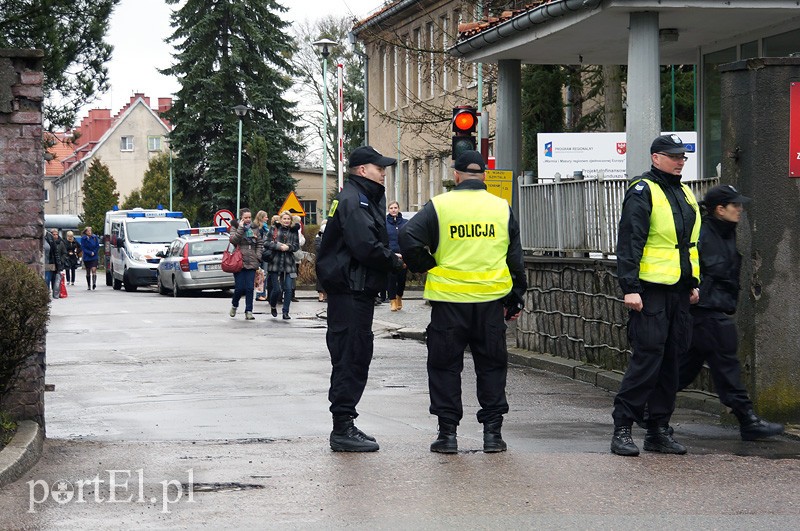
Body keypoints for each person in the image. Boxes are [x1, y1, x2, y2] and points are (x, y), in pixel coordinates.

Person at [399, 150, 527, 454]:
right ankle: (492, 435)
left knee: (445, 367)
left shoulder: (440, 206)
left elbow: (407, 237)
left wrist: (427, 265)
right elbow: (515, 258)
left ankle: (447, 436)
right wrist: (516, 297)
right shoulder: (501, 208)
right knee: (492, 367)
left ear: (456, 175)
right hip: (491, 303)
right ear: (483, 175)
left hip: (449, 304)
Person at [611, 134, 701, 457]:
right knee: (647, 359)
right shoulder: (642, 191)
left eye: (682, 157)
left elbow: (689, 245)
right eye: (674, 156)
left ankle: (658, 429)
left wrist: (692, 282)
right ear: (655, 157)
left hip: (678, 292)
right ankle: (623, 426)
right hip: (649, 292)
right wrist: (630, 288)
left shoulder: (685, 193)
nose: (680, 161)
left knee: (671, 360)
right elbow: (630, 242)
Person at [316, 146, 405, 452]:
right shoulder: (354, 200)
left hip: (355, 291)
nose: (384, 173)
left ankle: (345, 423)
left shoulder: (359, 197)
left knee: (354, 355)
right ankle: (342, 428)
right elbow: (364, 245)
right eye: (379, 168)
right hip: (351, 291)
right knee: (350, 357)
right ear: (362, 170)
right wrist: (394, 261)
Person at [678, 185, 784, 441]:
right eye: (735, 205)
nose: (740, 209)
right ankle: (747, 419)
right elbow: (690, 266)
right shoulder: (703, 233)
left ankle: (643, 406)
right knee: (727, 366)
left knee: (683, 370)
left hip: (712, 310)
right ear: (720, 209)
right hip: (707, 311)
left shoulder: (725, 232)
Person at [228, 208, 264, 320]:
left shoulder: (254, 228)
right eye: (245, 218)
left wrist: (258, 256)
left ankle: (249, 311)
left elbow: (259, 243)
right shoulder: (235, 226)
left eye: (249, 217)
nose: (248, 220)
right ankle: (234, 305)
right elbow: (233, 240)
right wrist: (241, 228)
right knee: (239, 288)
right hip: (239, 261)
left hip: (252, 260)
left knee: (249, 288)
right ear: (241, 218)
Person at [265, 211, 300, 319]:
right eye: (284, 219)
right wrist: (278, 246)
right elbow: (266, 242)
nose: (286, 221)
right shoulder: (274, 229)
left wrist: (288, 247)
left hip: (289, 263)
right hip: (275, 261)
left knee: (289, 289)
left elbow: (296, 246)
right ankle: (273, 305)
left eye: (288, 219)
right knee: (277, 289)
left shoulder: (293, 231)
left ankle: (285, 312)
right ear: (280, 220)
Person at [385, 200, 408, 311]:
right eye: (391, 208)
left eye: (395, 208)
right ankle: (392, 300)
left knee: (402, 279)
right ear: (388, 210)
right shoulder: (384, 223)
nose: (393, 210)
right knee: (391, 278)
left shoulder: (405, 222)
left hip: (403, 255)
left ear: (398, 209)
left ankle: (399, 296)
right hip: (390, 254)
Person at [253, 210, 270, 301]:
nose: (267, 218)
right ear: (261, 217)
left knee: (264, 274)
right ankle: (259, 294)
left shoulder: (265, 228)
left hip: (264, 253)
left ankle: (262, 293)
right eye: (266, 217)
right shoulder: (259, 228)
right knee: (260, 274)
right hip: (260, 253)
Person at [47, 228, 67, 298]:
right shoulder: (48, 242)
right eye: (54, 234)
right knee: (48, 277)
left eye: (56, 234)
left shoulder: (61, 243)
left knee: (56, 278)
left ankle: (55, 291)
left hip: (57, 263)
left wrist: (61, 260)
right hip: (50, 262)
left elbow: (64, 253)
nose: (55, 236)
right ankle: (47, 291)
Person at [80, 226, 100, 290]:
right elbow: (83, 248)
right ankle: (89, 285)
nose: (89, 232)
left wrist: (94, 252)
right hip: (87, 256)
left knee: (94, 269)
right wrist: (89, 252)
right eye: (88, 231)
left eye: (90, 231)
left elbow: (97, 245)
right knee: (88, 271)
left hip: (94, 256)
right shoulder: (83, 238)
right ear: (85, 232)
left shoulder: (94, 237)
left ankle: (94, 283)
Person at [314, 220, 327, 302]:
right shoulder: (318, 237)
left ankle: (326, 293)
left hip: (329, 259)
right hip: (321, 259)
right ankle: (321, 294)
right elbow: (318, 247)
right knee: (320, 277)